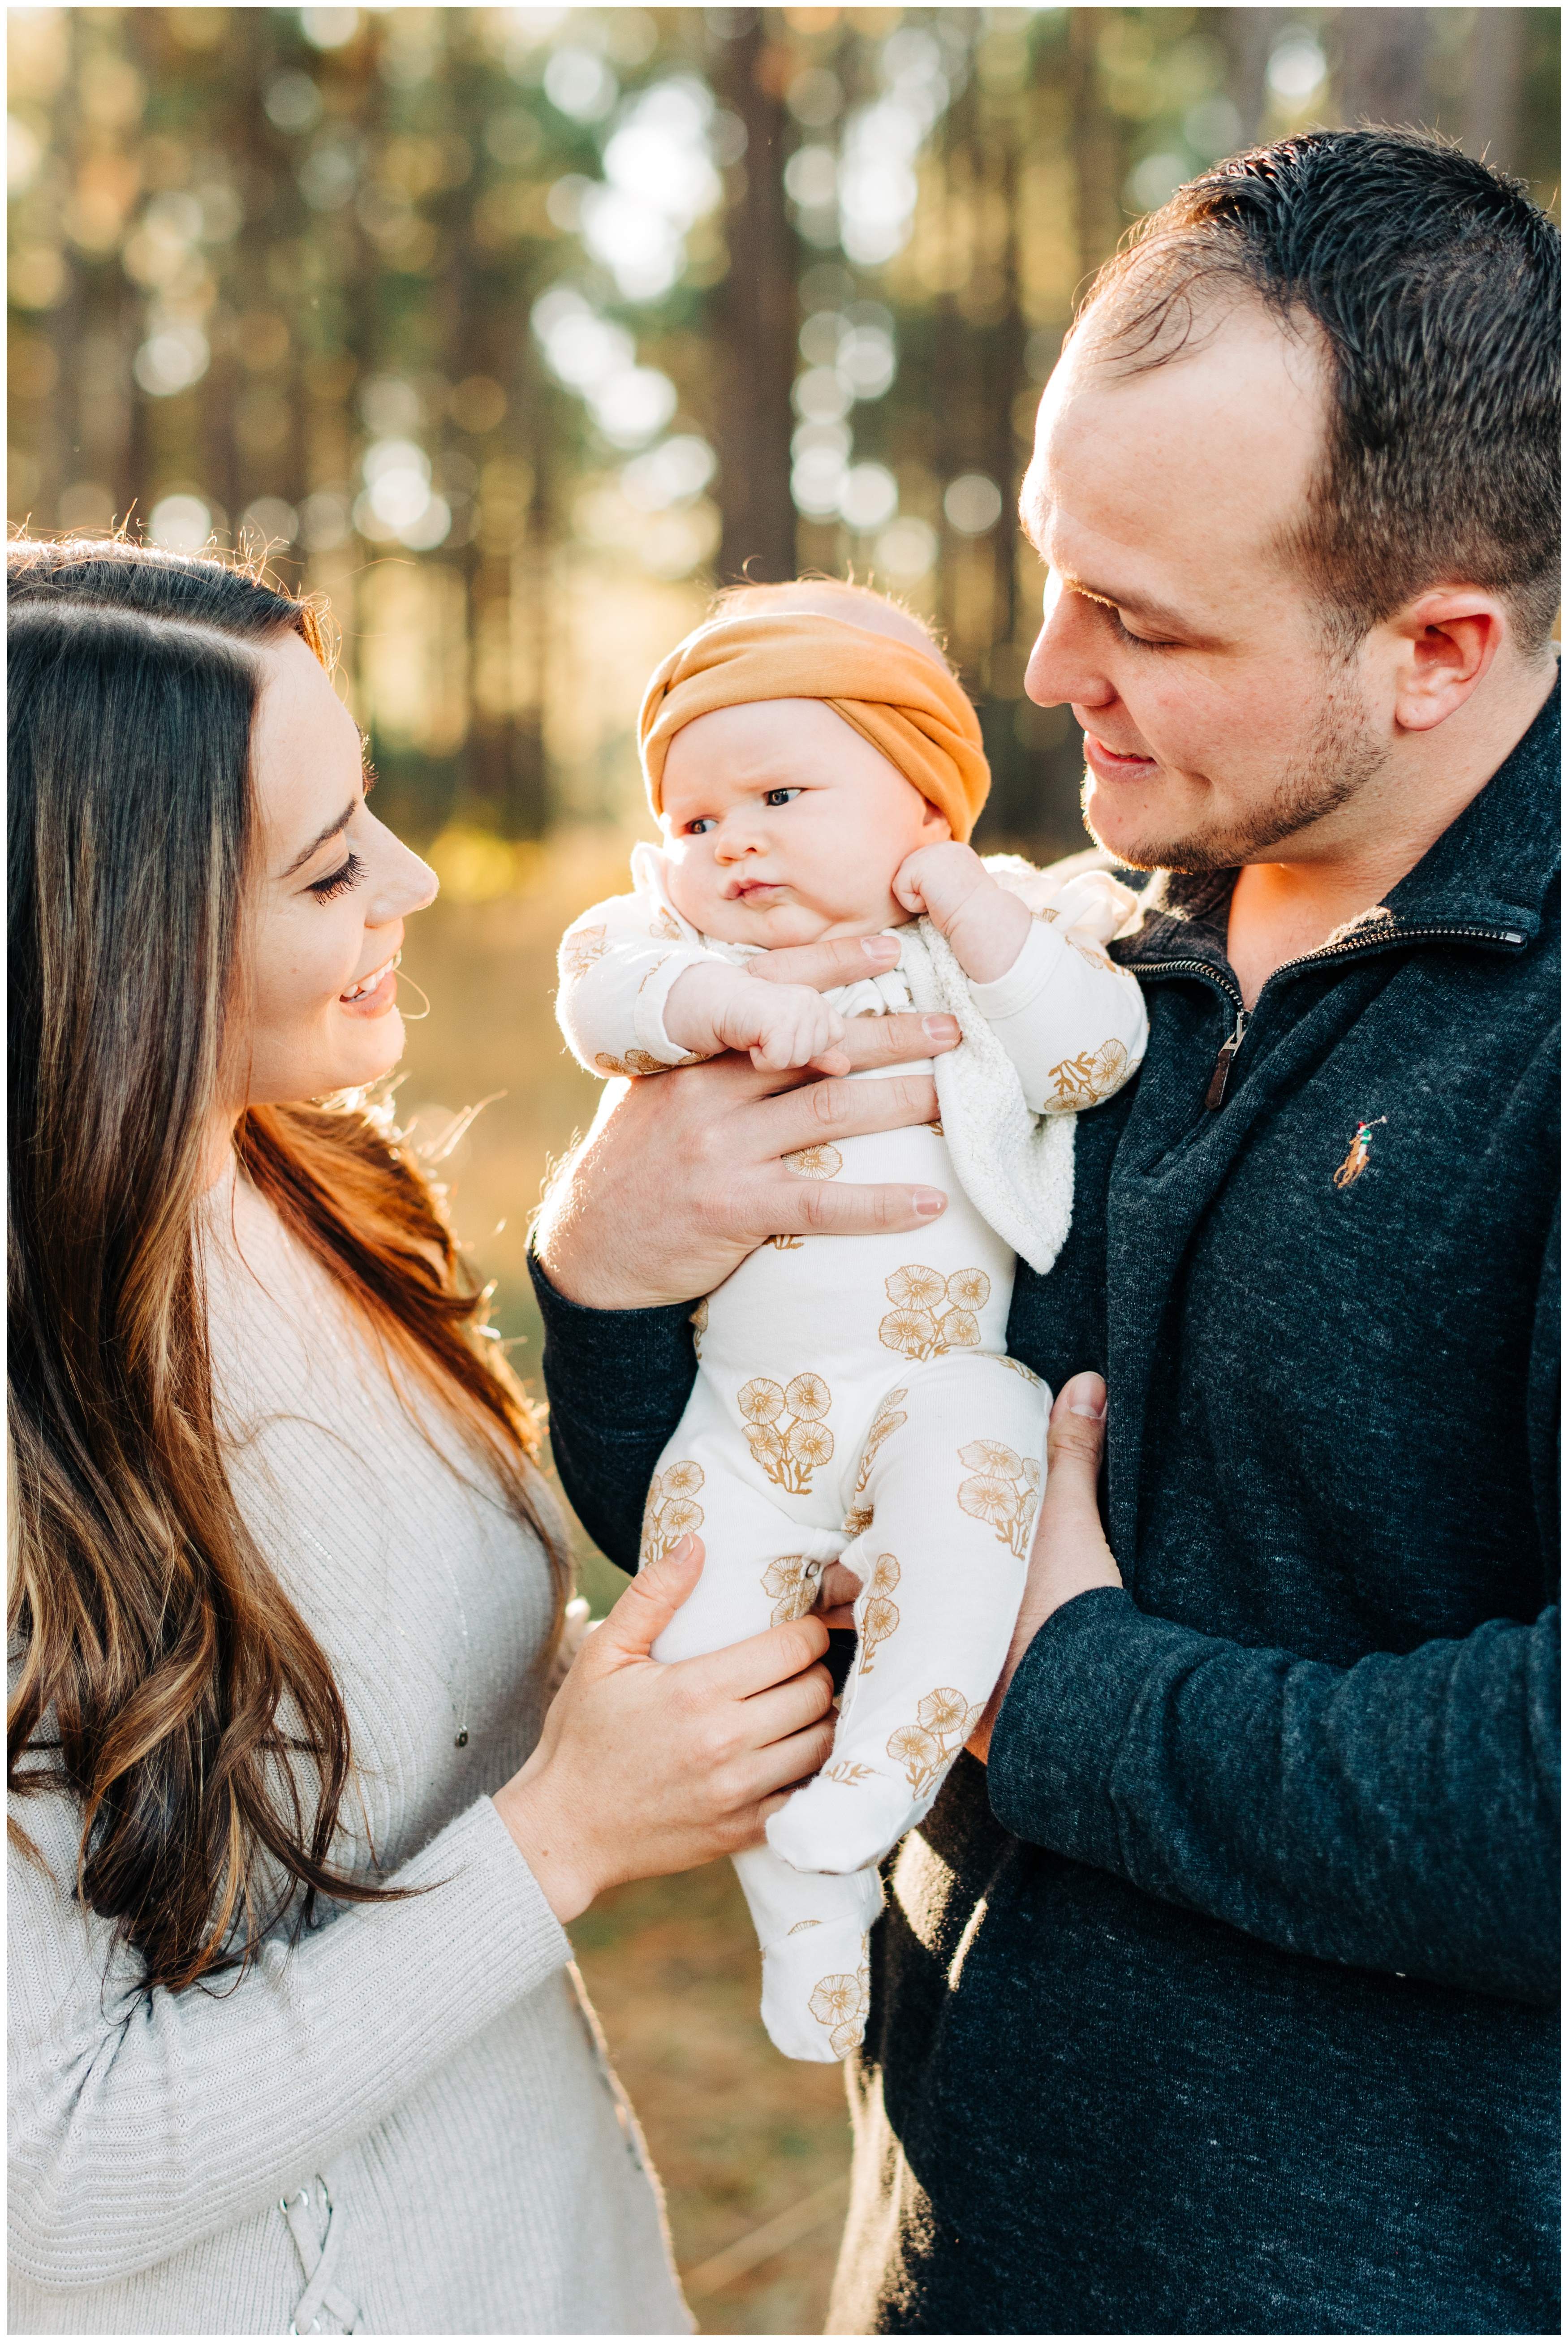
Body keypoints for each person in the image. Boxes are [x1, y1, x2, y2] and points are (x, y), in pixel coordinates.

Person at [528, 129, 1560, 2334]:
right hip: (938, 2251)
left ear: (1435, 647)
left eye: (1144, 618)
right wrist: (611, 1269)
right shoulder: (1050, 952)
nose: (1037, 661)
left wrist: (1059, 1689)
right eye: (1048, 564)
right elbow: (742, 1519)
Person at [6, 538, 847, 2337]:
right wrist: (559, 1837)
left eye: (368, 804)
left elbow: (375, 1700)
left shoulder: (302, 1183)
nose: (401, 877)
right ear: (114, 938)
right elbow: (49, 2185)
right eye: (327, 864)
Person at [555, 577, 1145, 2062]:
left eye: (778, 793)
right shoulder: (681, 950)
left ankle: (874, 1787)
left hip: (929, 1386)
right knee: (714, 1631)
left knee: (977, 1485)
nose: (729, 838)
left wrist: (967, 905)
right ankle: (807, 1920)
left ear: (924, 804)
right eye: (694, 818)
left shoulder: (999, 925)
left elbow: (1090, 1052)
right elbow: (606, 1000)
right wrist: (719, 1005)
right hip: (743, 1421)